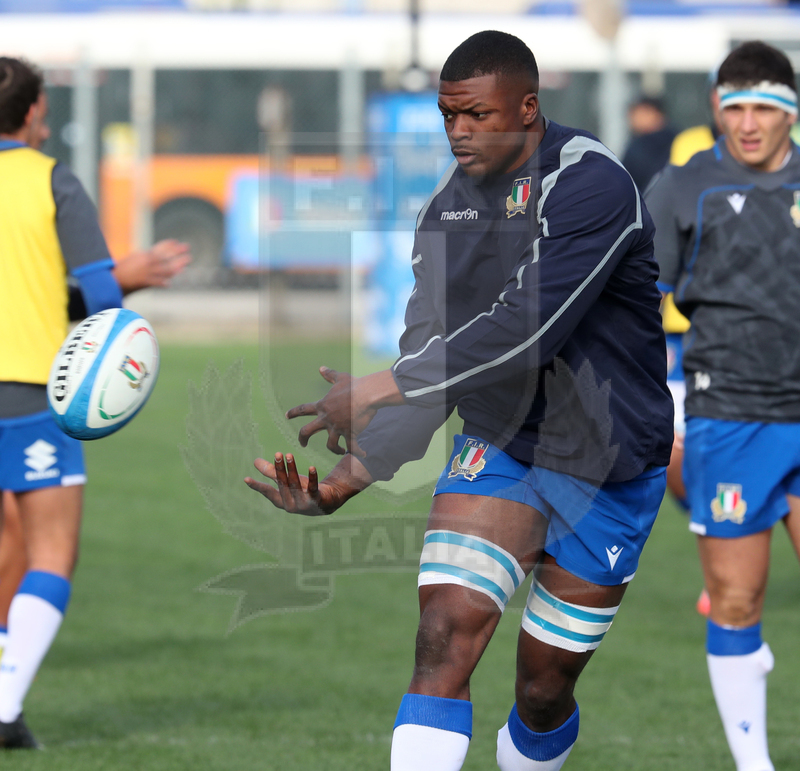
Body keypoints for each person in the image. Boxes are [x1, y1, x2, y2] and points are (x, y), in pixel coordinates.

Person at [246, 31, 673, 770]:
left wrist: (380, 383)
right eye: (449, 115)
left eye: (477, 114)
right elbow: (434, 365)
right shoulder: (445, 214)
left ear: (528, 107)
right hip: (503, 446)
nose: (459, 131)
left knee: (543, 689)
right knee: (443, 634)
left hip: (609, 461)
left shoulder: (590, 182)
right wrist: (344, 481)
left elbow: (528, 327)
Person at [0, 56, 189, 749]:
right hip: (30, 392)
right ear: (33, 111)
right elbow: (103, 304)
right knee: (50, 551)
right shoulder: (51, 179)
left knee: (7, 552)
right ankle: (4, 707)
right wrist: (123, 280)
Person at [646, 40, 800, 771]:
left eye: (764, 108)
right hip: (730, 414)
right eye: (735, 108)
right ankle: (754, 764)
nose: (748, 123)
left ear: (790, 113)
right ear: (716, 107)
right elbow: (636, 298)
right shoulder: (682, 187)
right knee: (736, 599)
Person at [621, 95, 677, 192]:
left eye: (641, 113)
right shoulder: (636, 143)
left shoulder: (641, 147)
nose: (634, 118)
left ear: (657, 114)